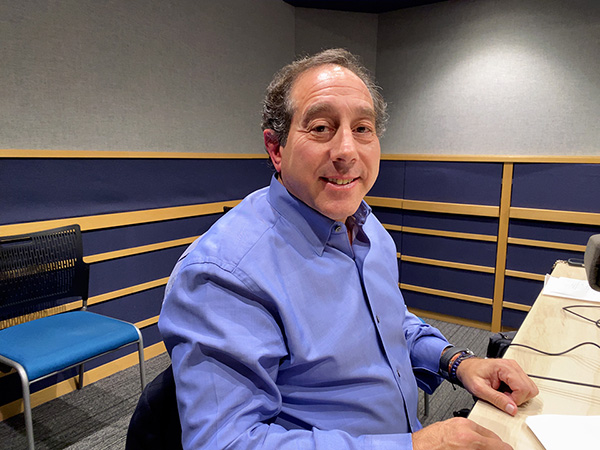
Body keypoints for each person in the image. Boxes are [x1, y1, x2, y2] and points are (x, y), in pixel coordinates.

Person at [158, 48, 538, 450]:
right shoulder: (223, 275)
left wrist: (458, 363)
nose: (347, 151)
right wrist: (413, 447)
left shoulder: (368, 227)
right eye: (321, 127)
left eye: (362, 128)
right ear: (276, 149)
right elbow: (227, 443)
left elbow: (389, 323)